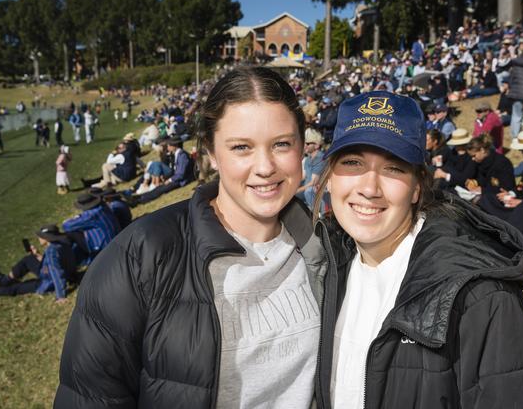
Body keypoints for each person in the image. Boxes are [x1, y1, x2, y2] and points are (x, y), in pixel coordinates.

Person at [55, 67, 327, 408]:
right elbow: (89, 396)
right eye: (242, 147)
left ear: (302, 146)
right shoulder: (142, 254)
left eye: (282, 144)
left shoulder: (327, 247)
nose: (265, 166)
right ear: (211, 153)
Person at [310, 90, 523, 409]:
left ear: (416, 187)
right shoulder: (323, 269)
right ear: (329, 179)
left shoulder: (482, 299)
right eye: (353, 162)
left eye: (394, 167)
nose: (369, 187)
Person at [0, 225, 76, 303]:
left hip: (47, 281)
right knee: (29, 259)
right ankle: (4, 280)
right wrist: (39, 256)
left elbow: (56, 271)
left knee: (13, 289)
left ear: (46, 238)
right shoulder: (59, 244)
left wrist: (60, 295)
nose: (38, 237)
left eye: (40, 236)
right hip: (54, 274)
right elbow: (57, 263)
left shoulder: (51, 252)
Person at [61, 193, 120, 262]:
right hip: (116, 237)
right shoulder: (103, 206)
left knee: (71, 233)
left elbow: (67, 226)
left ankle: (76, 258)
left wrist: (69, 220)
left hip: (104, 246)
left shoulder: (90, 215)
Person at [296, 128, 325, 208]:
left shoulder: (320, 158)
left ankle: (317, 215)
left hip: (316, 191)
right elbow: (303, 177)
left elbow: (313, 182)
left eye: (308, 143)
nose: (305, 146)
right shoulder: (308, 158)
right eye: (304, 143)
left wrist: (297, 190)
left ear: (316, 145)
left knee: (309, 192)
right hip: (306, 189)